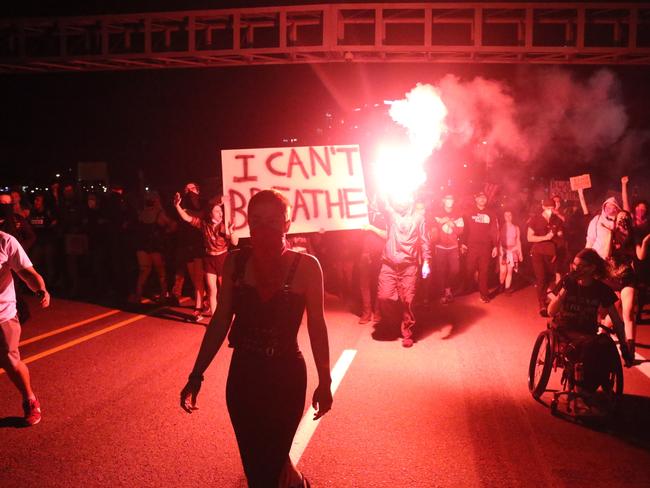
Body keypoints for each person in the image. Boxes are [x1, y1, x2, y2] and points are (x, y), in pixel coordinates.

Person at [180, 190, 332, 488]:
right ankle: (294, 482)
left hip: (285, 378)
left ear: (287, 223)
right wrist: (196, 374)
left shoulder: (307, 267)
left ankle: (295, 483)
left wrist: (324, 380)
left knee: (271, 461)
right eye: (257, 219)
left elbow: (317, 325)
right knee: (254, 465)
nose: (264, 227)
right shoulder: (235, 264)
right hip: (244, 378)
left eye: (274, 220)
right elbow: (221, 319)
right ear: (248, 222)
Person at [547, 249, 633, 403]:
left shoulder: (601, 289)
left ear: (592, 268)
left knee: (606, 345)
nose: (576, 269)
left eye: (581, 266)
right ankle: (582, 390)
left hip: (587, 332)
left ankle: (592, 385)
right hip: (566, 329)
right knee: (589, 347)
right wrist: (564, 291)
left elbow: (617, 321)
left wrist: (625, 347)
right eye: (574, 265)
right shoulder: (569, 282)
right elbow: (551, 311)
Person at [0, 230, 51, 426]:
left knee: (10, 362)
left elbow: (27, 273)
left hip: (2, 314)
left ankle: (30, 399)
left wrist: (40, 289)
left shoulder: (5, 241)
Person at [375, 194, 431, 347]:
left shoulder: (419, 218)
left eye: (404, 198)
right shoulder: (392, 215)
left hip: (409, 267)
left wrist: (426, 261)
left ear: (410, 201)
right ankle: (392, 323)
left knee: (408, 301)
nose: (401, 201)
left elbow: (425, 240)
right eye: (398, 199)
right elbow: (383, 202)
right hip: (389, 265)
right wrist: (382, 187)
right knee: (384, 297)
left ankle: (407, 331)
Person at [174, 193, 237, 318]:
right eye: (217, 210)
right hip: (209, 259)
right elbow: (187, 218)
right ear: (210, 213)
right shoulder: (204, 225)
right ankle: (214, 317)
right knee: (211, 289)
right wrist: (177, 206)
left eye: (221, 211)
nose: (220, 213)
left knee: (224, 290)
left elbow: (235, 242)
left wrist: (232, 232)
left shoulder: (223, 226)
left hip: (222, 258)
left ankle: (228, 312)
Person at [131, 191, 175, 304]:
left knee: (143, 271)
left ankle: (138, 295)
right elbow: (172, 225)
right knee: (161, 272)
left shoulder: (142, 213)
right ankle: (163, 295)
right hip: (155, 246)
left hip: (141, 246)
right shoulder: (159, 213)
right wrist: (166, 231)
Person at [171, 182, 205, 312]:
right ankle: (199, 301)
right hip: (185, 243)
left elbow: (201, 214)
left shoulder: (204, 203)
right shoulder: (181, 204)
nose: (189, 190)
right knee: (192, 275)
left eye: (192, 188)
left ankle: (207, 301)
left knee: (205, 276)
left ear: (198, 190)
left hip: (202, 243)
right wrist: (178, 207)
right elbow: (181, 219)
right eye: (187, 189)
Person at [527, 199, 564, 317]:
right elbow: (529, 238)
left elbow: (561, 231)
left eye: (552, 208)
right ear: (543, 207)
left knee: (549, 278)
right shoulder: (535, 219)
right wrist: (545, 237)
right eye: (548, 208)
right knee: (541, 278)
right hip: (538, 252)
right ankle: (542, 303)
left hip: (551, 253)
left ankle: (549, 300)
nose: (550, 210)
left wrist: (559, 233)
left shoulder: (556, 220)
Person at [461, 191, 498, 303]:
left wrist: (495, 246)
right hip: (472, 246)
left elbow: (494, 231)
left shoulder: (491, 213)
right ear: (476, 199)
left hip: (485, 247)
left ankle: (484, 294)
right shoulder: (468, 213)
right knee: (469, 269)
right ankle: (466, 287)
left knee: (484, 271)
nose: (482, 199)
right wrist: (463, 243)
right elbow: (464, 229)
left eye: (484, 198)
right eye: (480, 197)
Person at [432, 193, 464, 304]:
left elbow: (461, 230)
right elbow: (431, 227)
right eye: (447, 198)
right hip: (440, 246)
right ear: (443, 200)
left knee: (455, 270)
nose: (450, 200)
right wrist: (440, 222)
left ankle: (448, 288)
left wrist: (452, 224)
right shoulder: (437, 213)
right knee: (441, 271)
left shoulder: (458, 214)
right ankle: (443, 294)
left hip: (453, 247)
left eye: (451, 198)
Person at [498, 209, 522, 295]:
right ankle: (501, 285)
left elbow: (518, 240)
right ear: (504, 217)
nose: (508, 217)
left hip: (513, 251)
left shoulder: (516, 228)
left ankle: (507, 289)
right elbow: (499, 240)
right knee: (503, 271)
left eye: (510, 215)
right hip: (503, 251)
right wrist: (500, 250)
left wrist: (520, 253)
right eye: (506, 215)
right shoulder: (501, 227)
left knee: (510, 271)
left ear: (512, 216)